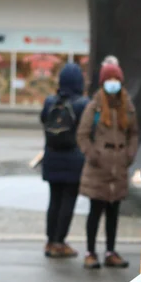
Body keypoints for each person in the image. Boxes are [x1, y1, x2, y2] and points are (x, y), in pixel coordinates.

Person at [76, 63, 139, 269]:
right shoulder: (95, 105)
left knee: (114, 211)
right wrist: (93, 154)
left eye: (116, 79)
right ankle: (90, 252)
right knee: (96, 211)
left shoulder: (127, 105)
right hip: (99, 167)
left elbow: (134, 133)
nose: (113, 83)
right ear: (103, 82)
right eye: (109, 79)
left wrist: (130, 154)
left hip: (119, 165)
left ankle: (111, 251)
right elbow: (83, 134)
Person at [40, 63, 90, 258]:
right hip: (73, 158)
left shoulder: (49, 101)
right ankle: (60, 242)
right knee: (68, 201)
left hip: (51, 156)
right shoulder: (82, 103)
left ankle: (50, 240)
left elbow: (44, 120)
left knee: (54, 200)